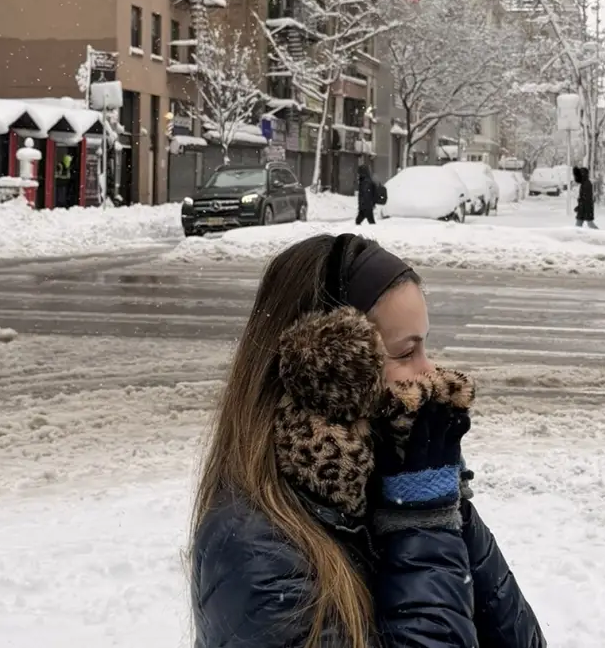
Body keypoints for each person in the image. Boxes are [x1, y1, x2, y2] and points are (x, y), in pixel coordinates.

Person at [191, 233, 546, 648]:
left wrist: (443, 510)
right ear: (327, 371)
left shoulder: (390, 477)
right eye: (404, 353)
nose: (430, 373)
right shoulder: (255, 548)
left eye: (425, 348)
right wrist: (423, 524)